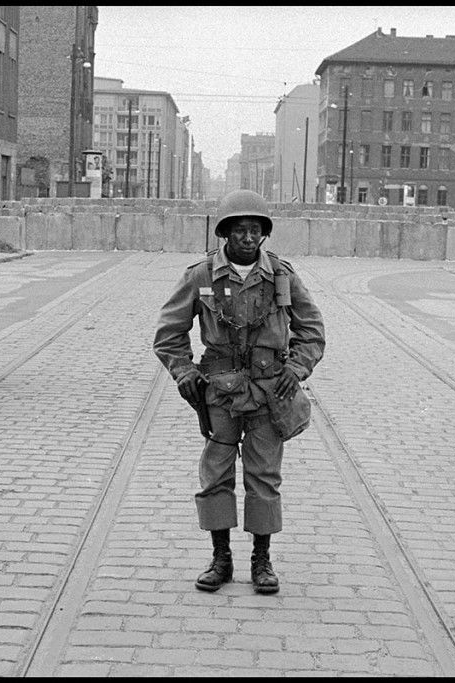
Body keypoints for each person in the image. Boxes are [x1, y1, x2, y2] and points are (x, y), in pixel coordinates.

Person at [153, 189, 326, 594]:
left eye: (255, 231)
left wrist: (296, 368)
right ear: (225, 234)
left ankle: (261, 560)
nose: (248, 238)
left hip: (270, 394)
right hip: (220, 393)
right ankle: (221, 558)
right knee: (215, 475)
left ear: (264, 235)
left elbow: (313, 331)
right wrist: (183, 373)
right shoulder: (201, 276)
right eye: (240, 230)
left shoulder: (282, 275)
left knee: (264, 477)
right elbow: (168, 334)